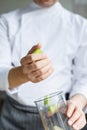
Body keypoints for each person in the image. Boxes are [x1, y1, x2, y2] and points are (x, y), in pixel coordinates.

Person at [0, 0, 87, 129]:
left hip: (61, 116)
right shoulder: (6, 22)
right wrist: (23, 73)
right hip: (14, 117)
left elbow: (84, 77)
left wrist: (76, 104)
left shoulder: (80, 25)